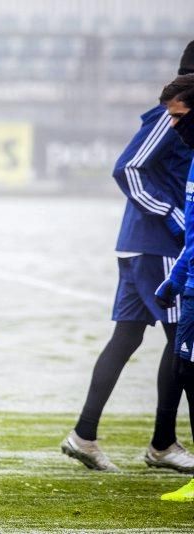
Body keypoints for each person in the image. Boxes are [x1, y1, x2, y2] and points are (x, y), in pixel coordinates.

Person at [61, 43, 194, 473]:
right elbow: (128, 168)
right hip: (157, 247)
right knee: (182, 341)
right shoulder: (168, 118)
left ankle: (84, 434)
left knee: (127, 337)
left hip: (145, 246)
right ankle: (162, 444)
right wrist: (174, 217)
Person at [154, 71, 194, 502]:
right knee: (186, 371)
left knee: (190, 372)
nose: (172, 126)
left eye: (179, 117)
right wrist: (175, 281)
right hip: (189, 284)